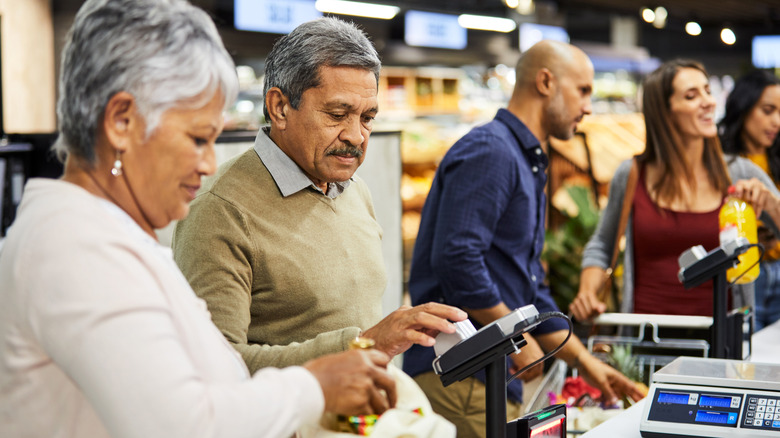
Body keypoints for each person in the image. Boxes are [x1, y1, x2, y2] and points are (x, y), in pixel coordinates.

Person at [0, 1, 398, 437]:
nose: (210, 164)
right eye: (197, 138)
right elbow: (183, 424)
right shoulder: (73, 250)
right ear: (121, 121)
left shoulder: (108, 237)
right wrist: (318, 385)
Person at [172, 16, 466, 373]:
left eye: (368, 117)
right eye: (338, 114)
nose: (356, 136)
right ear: (280, 107)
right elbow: (217, 366)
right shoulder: (221, 211)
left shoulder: (356, 192)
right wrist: (363, 346)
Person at [402, 40, 644, 438]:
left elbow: (527, 288)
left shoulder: (525, 159)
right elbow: (458, 259)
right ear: (546, 81)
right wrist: (515, 337)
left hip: (489, 378)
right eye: (582, 90)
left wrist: (587, 363)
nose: (588, 106)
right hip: (462, 377)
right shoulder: (493, 152)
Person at [570, 60, 780, 324]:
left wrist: (771, 203)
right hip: (645, 342)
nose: (709, 102)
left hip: (720, 344)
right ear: (664, 112)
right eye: (692, 96)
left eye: (707, 91)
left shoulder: (739, 172)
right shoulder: (633, 174)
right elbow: (602, 245)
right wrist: (588, 291)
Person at [719, 69, 780, 330]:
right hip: (744, 277)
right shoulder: (723, 166)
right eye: (767, 111)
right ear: (744, 108)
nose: (776, 121)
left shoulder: (775, 161)